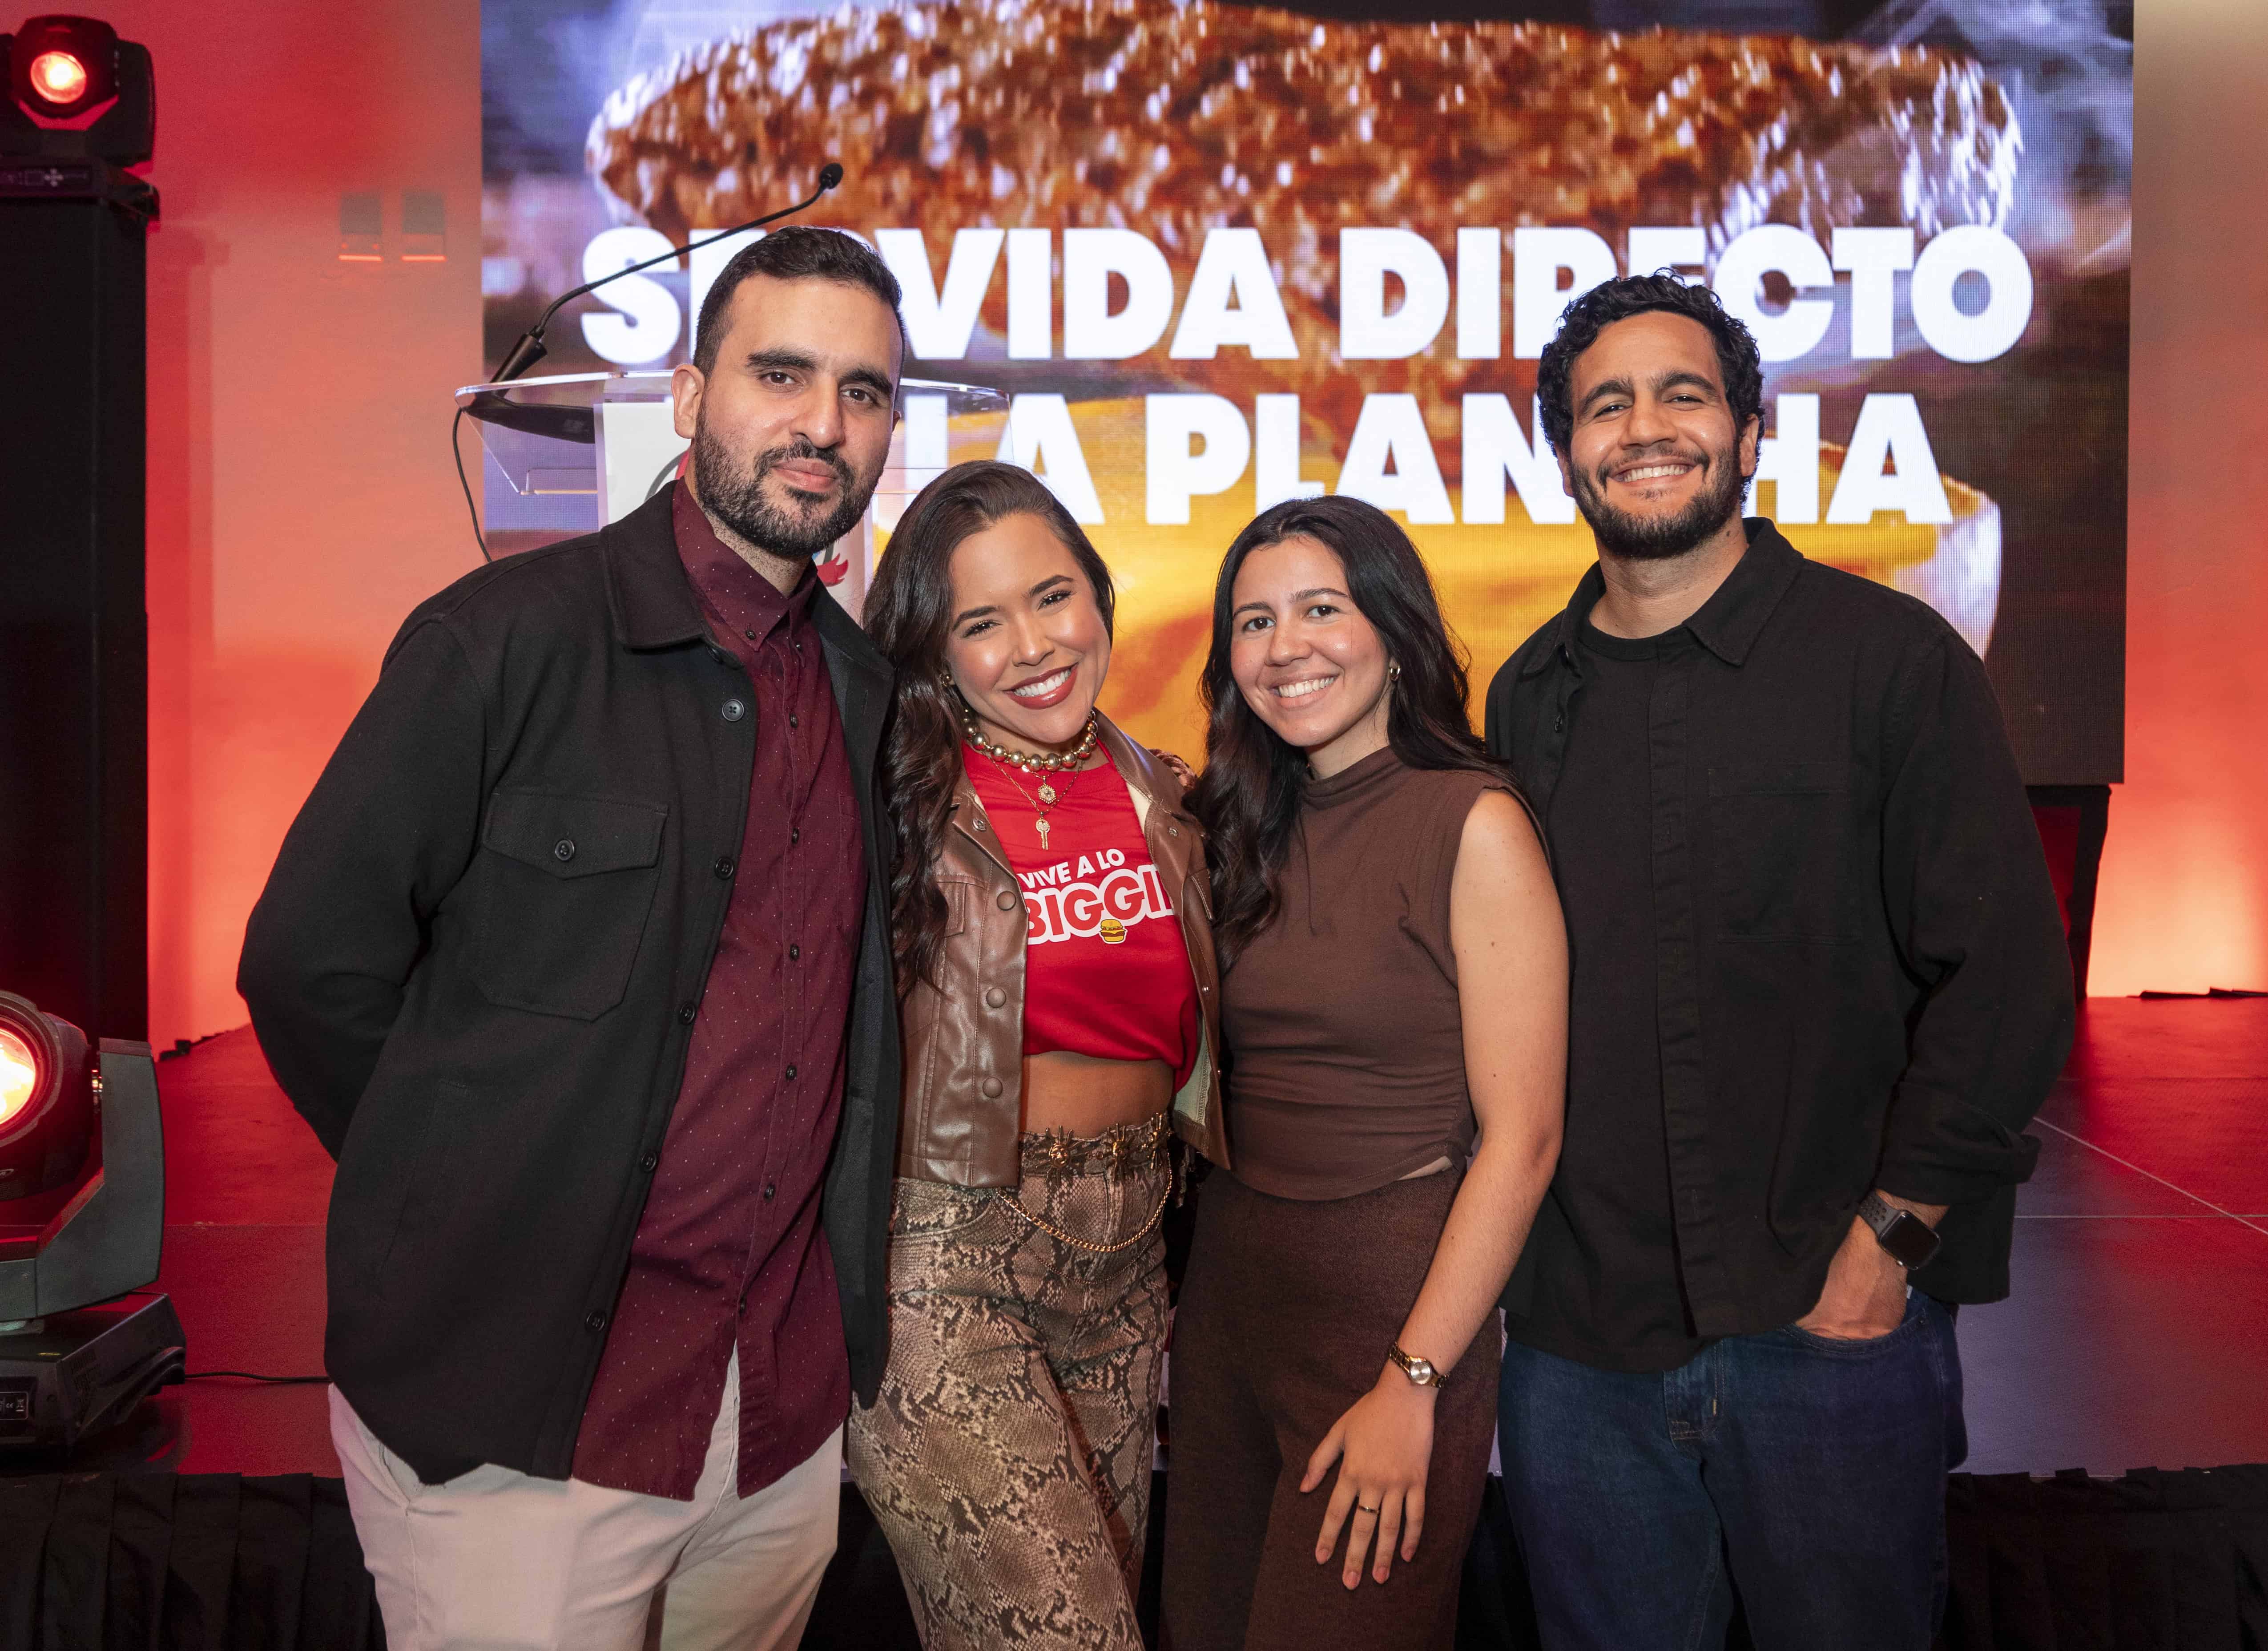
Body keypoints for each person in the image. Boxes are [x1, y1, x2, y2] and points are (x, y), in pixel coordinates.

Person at [236, 226, 912, 1651]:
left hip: (771, 1425)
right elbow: (310, 964)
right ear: (684, 396)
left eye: (862, 392)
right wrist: (471, 1194)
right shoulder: (501, 643)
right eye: (779, 374)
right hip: (521, 1416)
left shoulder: (861, 692)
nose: (821, 424)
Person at [1483, 272, 2076, 1650]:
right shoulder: (1524, 695)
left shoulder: (1890, 663)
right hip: (1581, 1347)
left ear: (1750, 432)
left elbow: (2001, 987)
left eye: (1682, 394)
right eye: (1605, 404)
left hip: (1827, 1330)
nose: (1644, 428)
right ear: (1564, 450)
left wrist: (1889, 1244)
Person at [1161, 497, 1568, 1651]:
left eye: (1321, 610)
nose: (1285, 647)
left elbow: (1523, 1139)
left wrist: (1415, 1382)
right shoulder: (1232, 823)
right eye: (1253, 621)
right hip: (1233, 1299)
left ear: (1392, 629)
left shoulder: (1471, 822)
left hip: (1387, 1306)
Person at [846, 460, 1229, 1650]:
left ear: (1099, 598)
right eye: (980, 622)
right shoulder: (895, 798)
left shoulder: (1161, 793)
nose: (1032, 645)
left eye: (1052, 597)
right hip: (947, 1253)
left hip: (1127, 1262)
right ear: (934, 649)